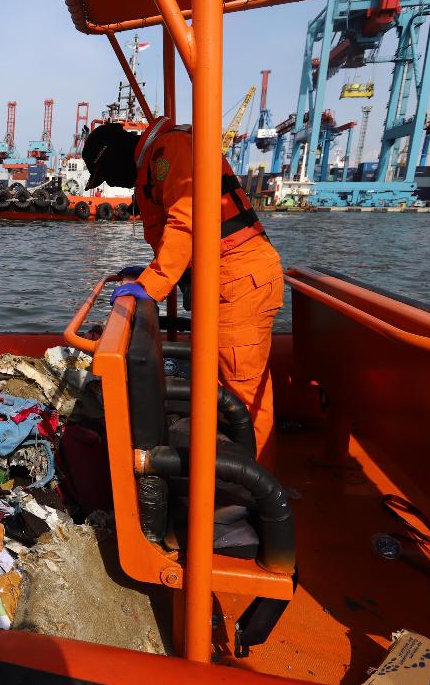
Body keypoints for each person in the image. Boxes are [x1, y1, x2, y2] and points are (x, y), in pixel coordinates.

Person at [81, 118, 283, 468]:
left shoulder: (169, 151)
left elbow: (185, 222)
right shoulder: (159, 157)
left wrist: (150, 284)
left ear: (114, 156)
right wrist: (149, 272)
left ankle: (256, 488)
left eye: (106, 174)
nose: (112, 183)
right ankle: (242, 476)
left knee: (243, 393)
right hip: (229, 278)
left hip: (239, 279)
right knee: (233, 385)